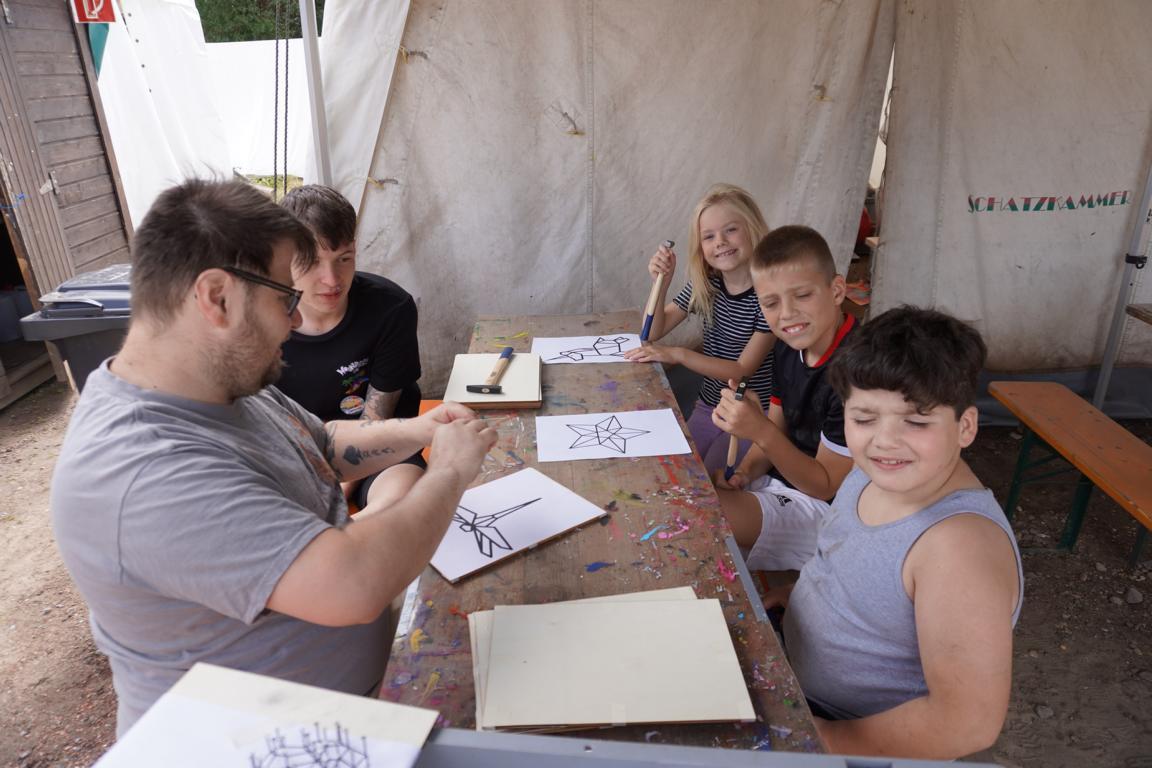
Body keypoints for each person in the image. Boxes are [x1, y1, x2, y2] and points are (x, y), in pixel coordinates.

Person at [49, 179, 497, 737]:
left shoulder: (217, 383)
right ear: (217, 298)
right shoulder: (142, 470)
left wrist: (420, 429)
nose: (296, 318)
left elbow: (321, 446)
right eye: (286, 297)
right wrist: (449, 470)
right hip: (256, 743)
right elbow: (351, 584)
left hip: (332, 717)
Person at [781, 306, 1023, 759]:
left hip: (852, 735)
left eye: (916, 421)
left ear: (965, 426)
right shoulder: (870, 473)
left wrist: (822, 741)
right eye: (864, 418)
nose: (885, 440)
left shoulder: (958, 547)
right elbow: (846, 563)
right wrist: (798, 599)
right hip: (792, 678)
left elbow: (966, 722)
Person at [710, 225, 856, 571]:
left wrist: (758, 430)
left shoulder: (857, 372)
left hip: (830, 513)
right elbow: (778, 427)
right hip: (781, 484)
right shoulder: (789, 348)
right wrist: (744, 472)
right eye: (771, 303)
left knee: (705, 516)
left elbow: (825, 486)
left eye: (802, 295)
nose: (787, 313)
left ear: (837, 290)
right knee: (699, 494)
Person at [278, 184, 423, 510]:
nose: (332, 279)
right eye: (312, 262)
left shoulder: (390, 308)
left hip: (376, 445)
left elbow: (376, 420)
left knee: (407, 493)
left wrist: (332, 500)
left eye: (344, 259)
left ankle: (351, 533)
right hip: (294, 452)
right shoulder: (261, 317)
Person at [624, 183, 775, 474]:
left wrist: (678, 354)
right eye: (709, 236)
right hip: (709, 406)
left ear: (753, 228)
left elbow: (741, 370)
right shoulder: (706, 285)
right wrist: (662, 283)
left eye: (731, 230)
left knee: (713, 479)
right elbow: (651, 333)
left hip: (752, 414)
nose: (720, 241)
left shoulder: (770, 296)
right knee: (682, 471)